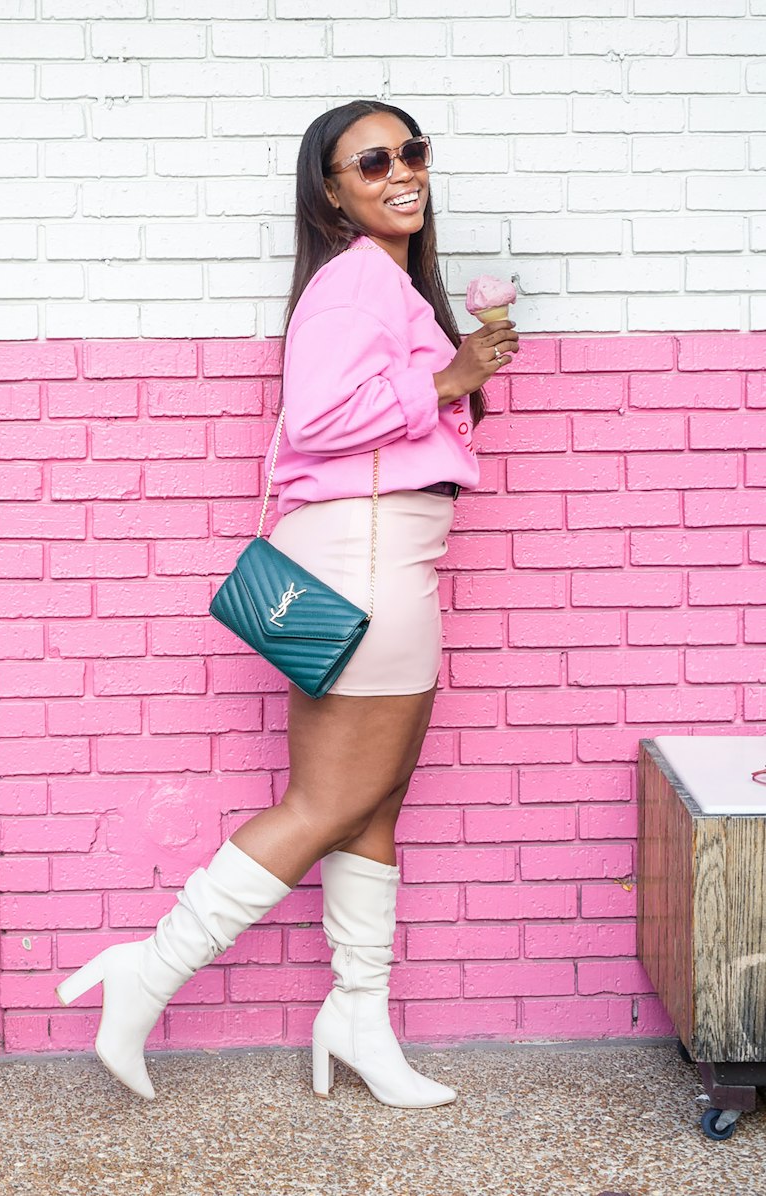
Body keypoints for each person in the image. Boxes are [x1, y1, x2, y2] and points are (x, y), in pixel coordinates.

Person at [57, 99, 520, 1106]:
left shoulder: (384, 283)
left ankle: (356, 1015)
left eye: (412, 151)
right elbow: (315, 419)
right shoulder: (358, 281)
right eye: (371, 161)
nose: (401, 171)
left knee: (369, 804)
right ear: (333, 189)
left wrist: (461, 369)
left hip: (375, 549)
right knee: (329, 802)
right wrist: (447, 379)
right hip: (367, 555)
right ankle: (149, 970)